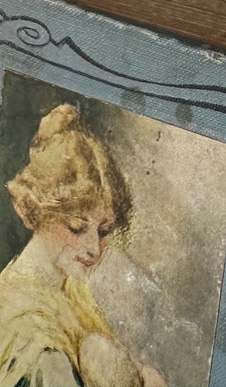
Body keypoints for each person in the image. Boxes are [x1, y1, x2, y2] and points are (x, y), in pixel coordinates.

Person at [0, 104, 166, 387]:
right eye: (76, 227)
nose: (94, 248)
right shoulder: (36, 339)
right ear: (38, 212)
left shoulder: (71, 289)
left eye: (104, 231)